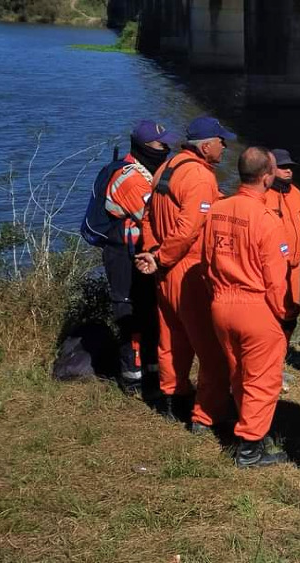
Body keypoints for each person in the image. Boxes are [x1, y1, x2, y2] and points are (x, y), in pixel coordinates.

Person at [135, 116, 235, 430]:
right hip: (189, 271)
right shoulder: (200, 177)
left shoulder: (166, 167)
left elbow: (148, 218)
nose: (225, 147)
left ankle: (172, 399)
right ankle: (207, 415)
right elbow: (188, 230)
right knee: (211, 348)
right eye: (221, 142)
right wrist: (162, 256)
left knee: (171, 339)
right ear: (206, 147)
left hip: (164, 273)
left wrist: (153, 253)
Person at [203, 147, 296, 467]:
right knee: (263, 379)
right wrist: (285, 314)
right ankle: (250, 448)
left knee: (239, 372)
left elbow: (206, 260)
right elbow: (275, 280)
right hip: (254, 305)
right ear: (267, 176)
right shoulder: (267, 219)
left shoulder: (217, 209)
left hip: (220, 304)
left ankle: (247, 428)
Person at [101, 120, 178, 396]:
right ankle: (131, 378)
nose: (166, 149)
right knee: (129, 311)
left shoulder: (148, 172)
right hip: (123, 253)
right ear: (145, 147)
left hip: (141, 252)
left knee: (148, 310)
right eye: (161, 145)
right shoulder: (130, 179)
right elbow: (154, 215)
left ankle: (151, 371)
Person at [266, 149, 300, 356]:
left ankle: (282, 354)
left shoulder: (297, 194)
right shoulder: (262, 196)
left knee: (291, 313)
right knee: (270, 314)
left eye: (290, 167)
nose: (288, 171)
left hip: (295, 265)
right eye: (282, 167)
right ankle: (269, 358)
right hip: (272, 267)